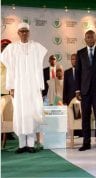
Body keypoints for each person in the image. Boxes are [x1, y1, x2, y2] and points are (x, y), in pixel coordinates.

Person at [1, 22, 47, 153]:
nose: (24, 33)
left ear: (29, 32)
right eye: (21, 31)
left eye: (26, 31)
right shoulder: (12, 48)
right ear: (18, 33)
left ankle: (31, 144)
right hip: (19, 86)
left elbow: (39, 67)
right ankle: (21, 145)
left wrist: (39, 86)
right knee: (21, 114)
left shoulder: (36, 47)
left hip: (32, 87)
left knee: (31, 113)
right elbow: (9, 67)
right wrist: (11, 86)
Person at [75, 30, 96, 151]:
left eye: (92, 37)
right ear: (85, 39)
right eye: (87, 37)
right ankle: (86, 143)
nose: (90, 39)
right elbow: (78, 73)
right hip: (84, 90)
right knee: (85, 117)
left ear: (95, 39)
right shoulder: (80, 53)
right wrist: (77, 90)